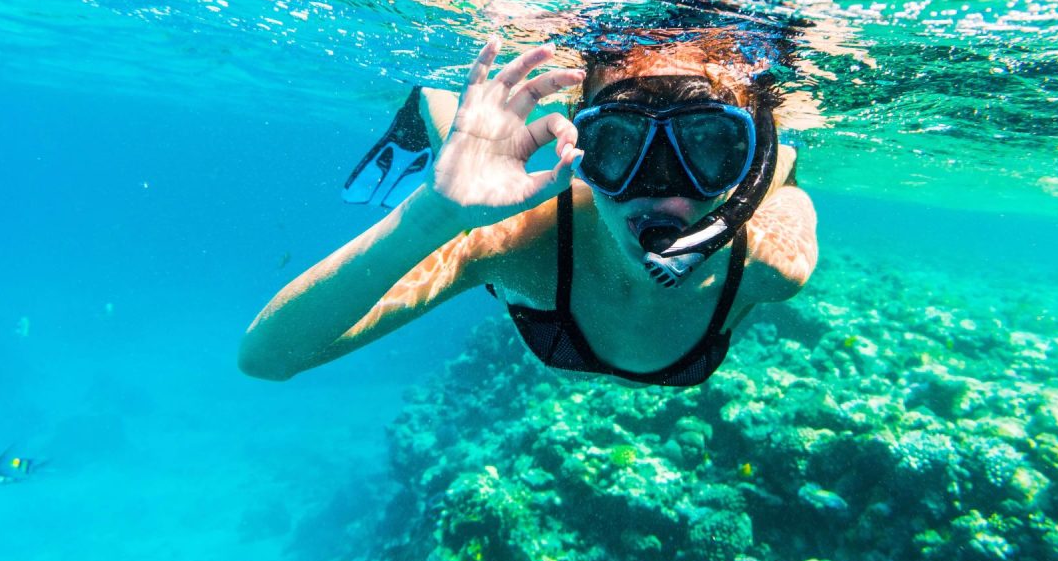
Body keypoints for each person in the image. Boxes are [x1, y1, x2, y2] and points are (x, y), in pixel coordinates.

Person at [239, 31, 818, 387]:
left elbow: (781, 189)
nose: (665, 192)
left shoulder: (770, 260)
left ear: (750, 162)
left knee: (784, 170)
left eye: (711, 149)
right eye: (617, 145)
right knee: (470, 152)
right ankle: (431, 105)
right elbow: (268, 359)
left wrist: (777, 170)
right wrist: (434, 214)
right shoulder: (515, 239)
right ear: (580, 145)